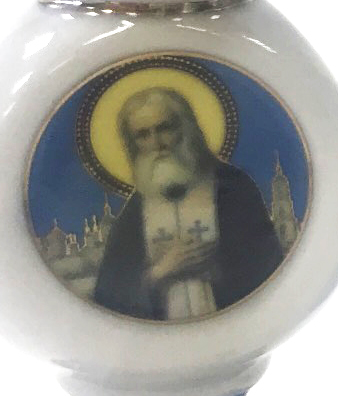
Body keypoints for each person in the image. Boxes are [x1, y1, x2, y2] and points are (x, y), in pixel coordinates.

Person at [92, 86, 283, 320]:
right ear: (133, 145)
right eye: (143, 135)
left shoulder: (234, 188)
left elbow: (268, 268)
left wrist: (216, 269)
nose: (156, 143)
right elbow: (109, 294)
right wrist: (160, 272)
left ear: (186, 129)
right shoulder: (136, 209)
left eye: (164, 128)